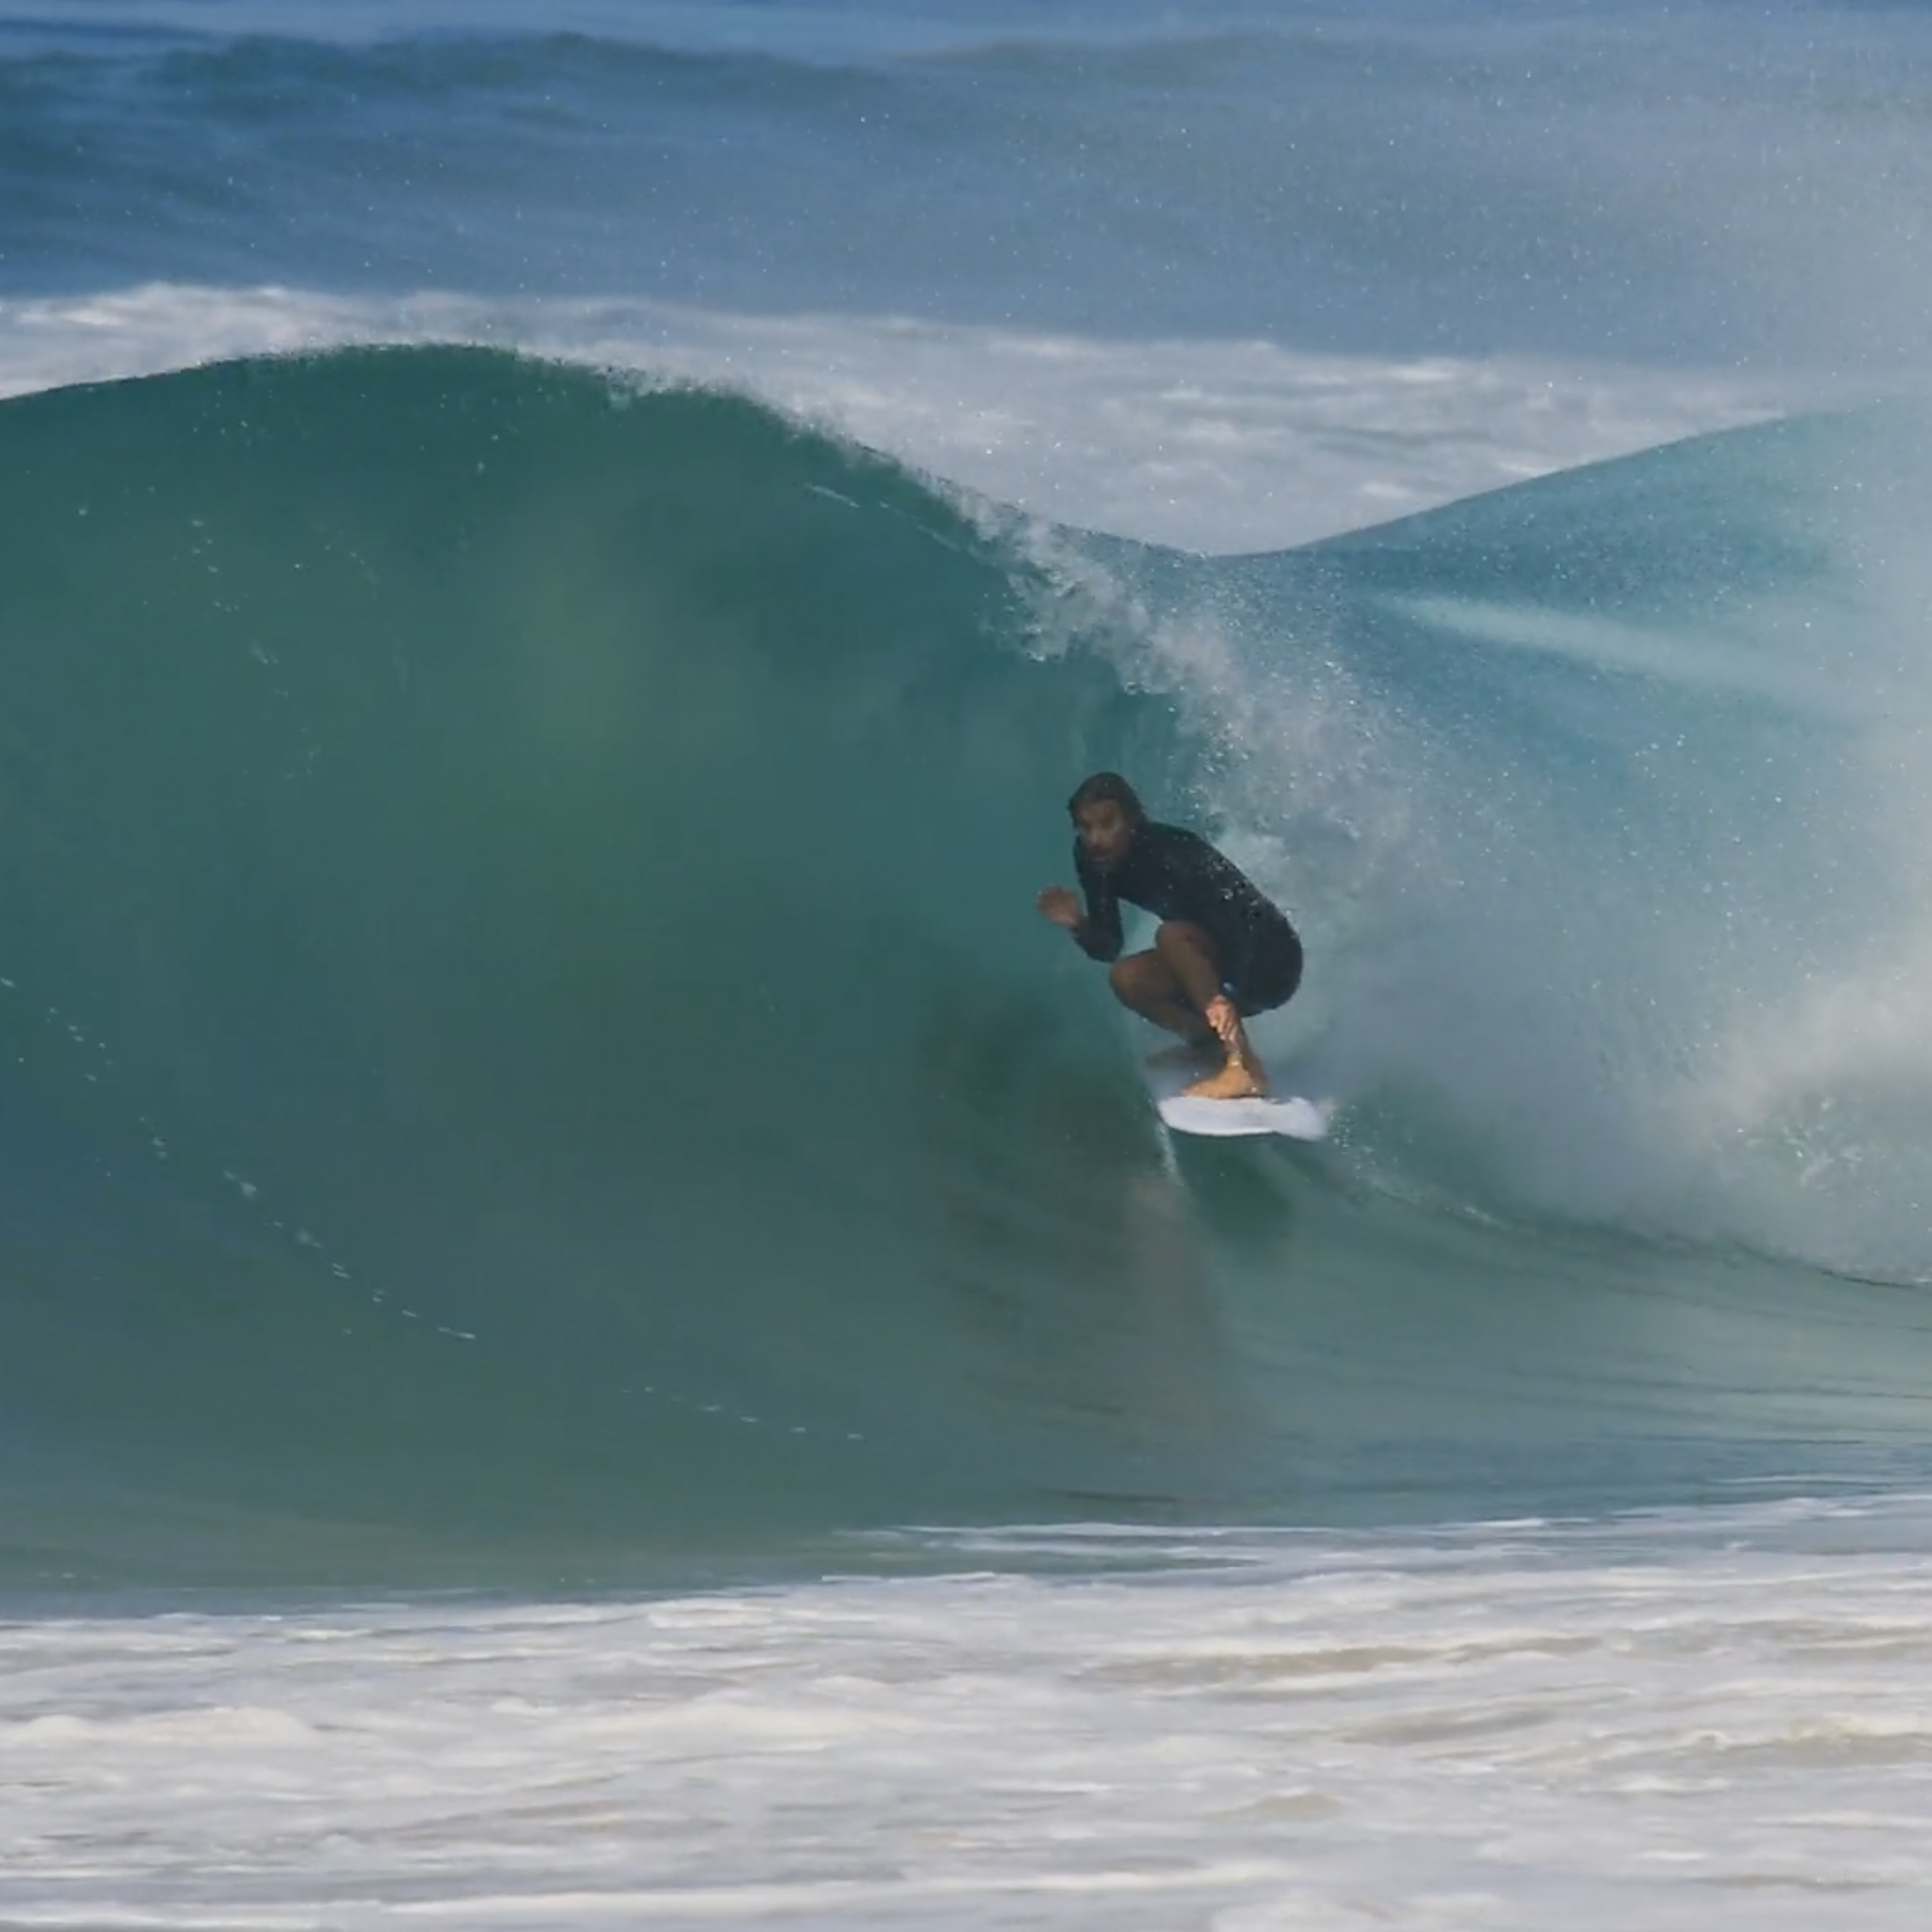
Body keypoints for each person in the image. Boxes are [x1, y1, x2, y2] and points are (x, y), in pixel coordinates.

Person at [1036, 772, 1302, 1100]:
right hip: (1216, 958)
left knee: (1172, 935)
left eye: (1108, 824)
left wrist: (1226, 994)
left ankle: (1244, 1067)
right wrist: (1078, 923)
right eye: (1086, 827)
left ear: (1132, 821)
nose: (1095, 839)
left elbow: (1244, 922)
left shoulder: (1175, 854)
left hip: (1271, 959)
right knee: (1127, 978)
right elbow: (1110, 947)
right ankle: (1208, 1046)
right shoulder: (1096, 862)